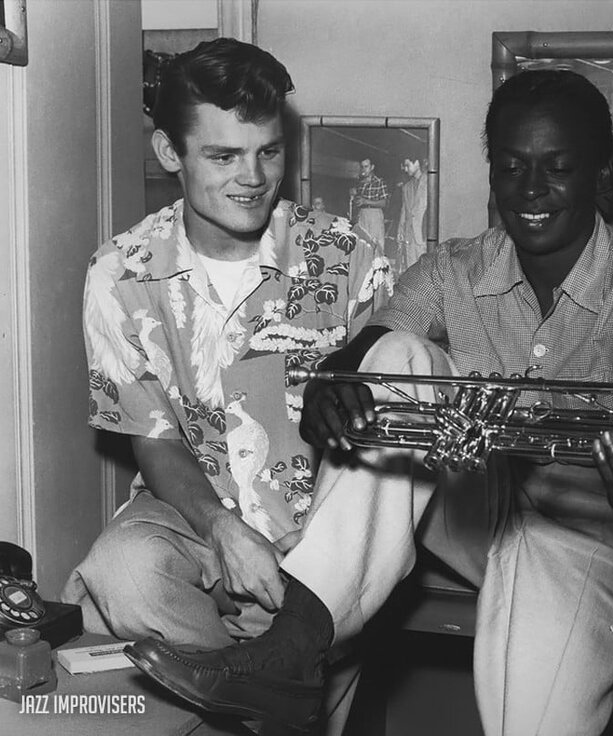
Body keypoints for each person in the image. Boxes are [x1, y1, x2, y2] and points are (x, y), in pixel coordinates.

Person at [125, 69, 613, 735]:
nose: (533, 190)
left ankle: (288, 655)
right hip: (472, 517)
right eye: (512, 167)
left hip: (589, 542)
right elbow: (373, 345)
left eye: (559, 168)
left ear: (602, 173)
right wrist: (332, 384)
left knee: (536, 718)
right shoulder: (454, 267)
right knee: (396, 357)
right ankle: (290, 653)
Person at [60, 37, 392, 732]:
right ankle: (253, 694)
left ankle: (281, 674)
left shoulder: (347, 259)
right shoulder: (119, 273)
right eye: (222, 156)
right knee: (119, 571)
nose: (254, 177)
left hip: (318, 558)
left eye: (268, 152)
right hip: (195, 524)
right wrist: (223, 529)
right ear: (168, 154)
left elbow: (388, 457)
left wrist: (309, 567)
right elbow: (152, 439)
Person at [396, 156, 429, 272]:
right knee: (411, 272)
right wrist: (400, 232)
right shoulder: (406, 187)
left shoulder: (431, 181)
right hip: (409, 237)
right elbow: (404, 211)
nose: (405, 169)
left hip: (424, 236)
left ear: (417, 163)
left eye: (407, 165)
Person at [351, 157, 388, 248]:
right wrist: (354, 196)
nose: (363, 169)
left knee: (376, 246)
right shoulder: (360, 183)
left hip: (375, 215)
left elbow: (384, 203)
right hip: (362, 215)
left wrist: (366, 201)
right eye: (362, 167)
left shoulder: (380, 182)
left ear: (372, 167)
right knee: (362, 245)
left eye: (366, 166)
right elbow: (358, 202)